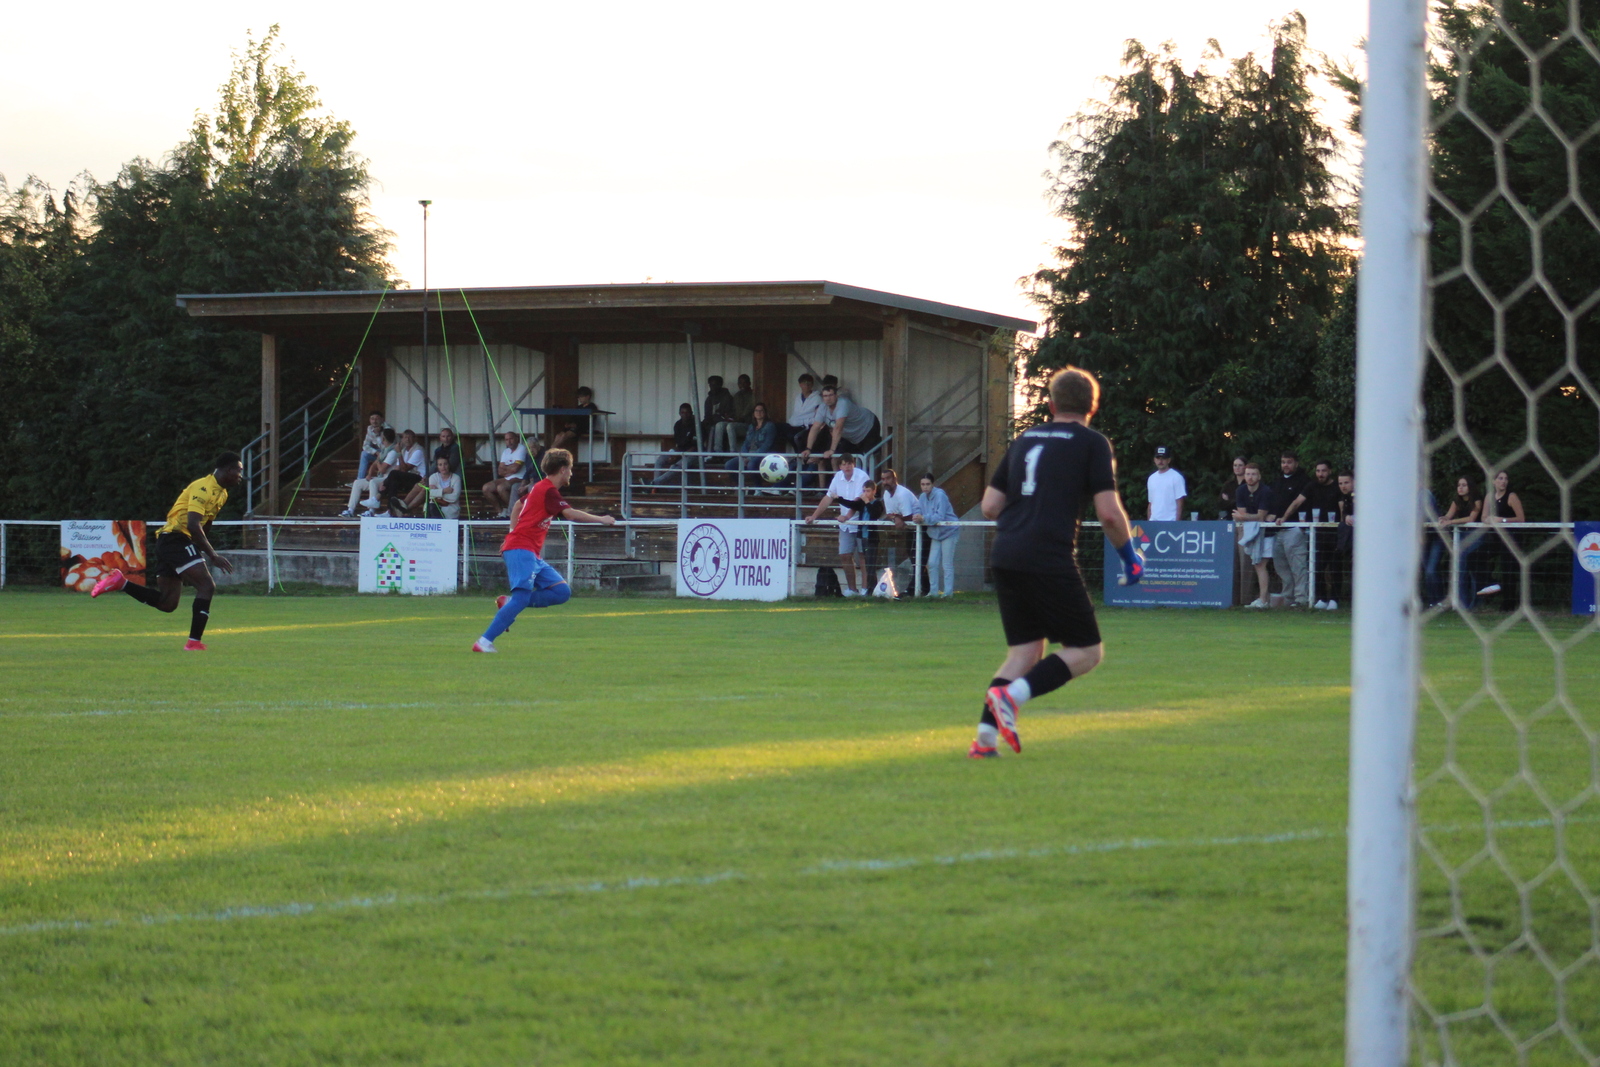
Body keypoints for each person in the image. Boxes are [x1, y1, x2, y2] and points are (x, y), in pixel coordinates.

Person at [972, 366, 1142, 759]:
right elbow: (1110, 514)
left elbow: (990, 506)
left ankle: (984, 741)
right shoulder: (1092, 442)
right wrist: (1130, 557)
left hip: (1006, 552)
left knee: (1024, 652)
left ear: (1050, 405)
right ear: (1092, 408)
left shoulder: (1025, 438)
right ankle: (1012, 697)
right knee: (1086, 651)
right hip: (1047, 554)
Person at [89, 453, 242, 651]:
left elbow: (206, 524)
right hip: (175, 539)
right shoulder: (202, 488)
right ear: (228, 470)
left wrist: (196, 555)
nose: (240, 476)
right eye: (239, 471)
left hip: (173, 542)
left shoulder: (222, 494)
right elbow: (193, 524)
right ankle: (193, 642)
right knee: (206, 586)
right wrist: (212, 555)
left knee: (167, 603)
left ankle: (121, 583)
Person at [472, 449, 616, 653]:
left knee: (561, 592)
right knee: (522, 597)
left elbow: (517, 505)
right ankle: (484, 642)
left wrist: (512, 531)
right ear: (563, 469)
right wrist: (602, 519)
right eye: (570, 469)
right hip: (521, 549)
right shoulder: (547, 490)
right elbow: (570, 514)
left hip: (529, 551)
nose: (571, 473)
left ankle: (509, 603)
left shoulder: (540, 488)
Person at [804, 453, 871, 596]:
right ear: (840, 466)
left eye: (849, 463)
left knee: (863, 557)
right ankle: (852, 589)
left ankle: (866, 590)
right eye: (844, 464)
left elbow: (858, 502)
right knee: (845, 555)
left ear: (854, 464)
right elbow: (828, 497)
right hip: (845, 524)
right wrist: (814, 516)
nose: (847, 467)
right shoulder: (837, 477)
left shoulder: (862, 477)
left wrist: (846, 516)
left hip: (861, 523)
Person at [1279, 460, 1341, 609]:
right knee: (1316, 566)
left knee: (1335, 568)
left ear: (1330, 471)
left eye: (1323, 471)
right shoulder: (1312, 486)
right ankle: (1321, 599)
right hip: (1317, 534)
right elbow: (1297, 502)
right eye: (1318, 471)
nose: (1320, 474)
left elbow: (1342, 507)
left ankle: (1334, 600)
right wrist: (1284, 517)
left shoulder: (1337, 487)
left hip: (1335, 533)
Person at [802, 384, 881, 471]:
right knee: (835, 458)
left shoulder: (843, 404)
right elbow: (815, 428)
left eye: (830, 395)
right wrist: (808, 449)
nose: (828, 398)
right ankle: (838, 480)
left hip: (868, 426)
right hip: (850, 436)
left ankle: (873, 479)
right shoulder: (822, 407)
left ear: (836, 396)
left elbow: (838, 428)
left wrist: (832, 450)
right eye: (825, 396)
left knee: (869, 458)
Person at [1270, 451, 1312, 608]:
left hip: (1294, 529)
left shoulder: (1304, 481)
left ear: (1296, 463)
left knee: (1298, 566)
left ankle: (1301, 600)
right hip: (1277, 530)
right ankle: (1288, 599)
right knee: (1281, 568)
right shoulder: (1277, 481)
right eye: (1283, 462)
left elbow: (1297, 503)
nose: (1285, 465)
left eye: (1289, 462)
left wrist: (1285, 518)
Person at [1478, 470, 1526, 602]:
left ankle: (1508, 603)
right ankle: (1492, 584)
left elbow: (1521, 519)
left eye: (1505, 479)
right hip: (1496, 538)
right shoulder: (1489, 496)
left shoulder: (1511, 497)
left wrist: (1502, 520)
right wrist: (1488, 520)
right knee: (1476, 556)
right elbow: (1483, 516)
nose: (1503, 481)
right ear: (1493, 481)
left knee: (1508, 569)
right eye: (1500, 478)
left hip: (1511, 538)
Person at [1233, 461, 1275, 609]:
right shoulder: (1240, 490)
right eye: (1248, 474)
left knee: (1260, 564)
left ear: (1259, 476)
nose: (1250, 477)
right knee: (1257, 564)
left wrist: (1246, 517)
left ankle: (1263, 599)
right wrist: (1250, 517)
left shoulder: (1266, 491)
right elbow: (1245, 515)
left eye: (1253, 474)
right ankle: (1263, 598)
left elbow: (1260, 516)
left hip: (1267, 533)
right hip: (1250, 532)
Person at [395, 427, 464, 516]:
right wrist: (426, 476)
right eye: (443, 436)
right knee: (419, 485)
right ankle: (403, 504)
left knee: (425, 489)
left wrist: (431, 478)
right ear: (440, 438)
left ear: (452, 437)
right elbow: (434, 465)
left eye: (448, 436)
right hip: (439, 477)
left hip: (450, 477)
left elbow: (450, 466)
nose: (446, 439)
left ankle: (406, 510)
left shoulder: (456, 449)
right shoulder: (438, 450)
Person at [1439, 474, 1484, 607]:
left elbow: (1471, 518)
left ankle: (1472, 603)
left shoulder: (1477, 500)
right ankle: (1462, 603)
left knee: (1467, 564)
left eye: (1464, 485)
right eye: (1459, 485)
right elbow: (1448, 515)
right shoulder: (1457, 501)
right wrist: (1443, 519)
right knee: (1460, 566)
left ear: (1470, 487)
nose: (1461, 488)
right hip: (1463, 536)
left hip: (1476, 535)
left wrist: (1451, 522)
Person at [914, 473, 960, 597]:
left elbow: (940, 516)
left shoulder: (940, 495)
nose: (925, 487)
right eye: (922, 484)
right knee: (932, 563)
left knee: (947, 564)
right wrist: (917, 515)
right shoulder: (922, 497)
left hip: (949, 531)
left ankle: (948, 593)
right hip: (935, 533)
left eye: (927, 484)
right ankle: (933, 592)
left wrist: (924, 518)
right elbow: (918, 508)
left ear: (932, 484)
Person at [341, 428, 397, 517]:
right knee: (357, 483)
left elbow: (382, 469)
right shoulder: (384, 450)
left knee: (373, 482)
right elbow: (374, 465)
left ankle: (371, 511)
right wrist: (369, 474)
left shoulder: (392, 452)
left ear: (383, 438)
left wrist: (378, 460)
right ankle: (350, 510)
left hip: (387, 478)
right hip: (381, 477)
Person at [724, 402, 779, 490]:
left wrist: (749, 458)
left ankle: (758, 488)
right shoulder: (751, 426)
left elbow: (766, 446)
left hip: (763, 455)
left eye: (761, 411)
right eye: (756, 411)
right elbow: (746, 443)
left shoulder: (769, 426)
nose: (758, 412)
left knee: (751, 464)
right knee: (729, 465)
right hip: (748, 455)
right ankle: (743, 487)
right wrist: (743, 456)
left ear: (765, 413)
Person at [876, 467, 920, 579]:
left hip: (919, 528)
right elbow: (889, 514)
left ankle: (919, 586)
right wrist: (896, 518)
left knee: (918, 559)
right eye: (883, 479)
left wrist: (896, 517)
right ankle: (919, 586)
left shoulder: (902, 494)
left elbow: (908, 516)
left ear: (894, 479)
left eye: (888, 478)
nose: (885, 482)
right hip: (909, 529)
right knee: (913, 558)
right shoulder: (886, 494)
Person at [840, 479, 884, 586]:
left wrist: (867, 502)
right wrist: (838, 498)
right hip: (862, 537)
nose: (865, 493)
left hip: (871, 538)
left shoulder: (877, 503)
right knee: (866, 563)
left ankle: (871, 588)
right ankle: (869, 587)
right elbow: (852, 505)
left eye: (868, 491)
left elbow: (874, 514)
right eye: (864, 491)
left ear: (874, 491)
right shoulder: (861, 503)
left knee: (871, 565)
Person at [376, 430, 426, 515]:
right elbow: (397, 469)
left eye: (410, 437)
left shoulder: (418, 450)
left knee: (394, 474)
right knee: (393, 482)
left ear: (415, 439)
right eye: (405, 437)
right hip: (408, 478)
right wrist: (385, 482)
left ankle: (378, 498)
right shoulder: (404, 451)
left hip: (419, 478)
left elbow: (404, 469)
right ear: (402, 439)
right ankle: (390, 511)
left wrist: (399, 453)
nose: (407, 439)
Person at [482, 431, 529, 518]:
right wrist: (510, 468)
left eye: (511, 439)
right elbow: (500, 471)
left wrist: (506, 468)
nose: (509, 442)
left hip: (520, 478)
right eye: (507, 440)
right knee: (486, 488)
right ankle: (501, 511)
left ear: (517, 439)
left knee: (501, 488)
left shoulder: (522, 449)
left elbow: (516, 469)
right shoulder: (506, 451)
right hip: (508, 478)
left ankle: (515, 511)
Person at [653, 403, 699, 486]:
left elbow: (695, 447)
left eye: (687, 412)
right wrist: (673, 454)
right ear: (679, 413)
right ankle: (655, 488)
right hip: (680, 453)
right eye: (683, 412)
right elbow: (679, 444)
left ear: (691, 413)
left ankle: (654, 484)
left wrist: (678, 456)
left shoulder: (697, 425)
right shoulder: (678, 425)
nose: (685, 415)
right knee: (660, 460)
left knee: (677, 465)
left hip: (693, 455)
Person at [1328, 471, 1355, 608]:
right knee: (1336, 562)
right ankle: (1334, 599)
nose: (1343, 486)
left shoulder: (1363, 496)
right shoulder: (1346, 497)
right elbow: (1345, 515)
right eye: (1340, 483)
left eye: (1346, 483)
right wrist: (1346, 517)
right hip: (1346, 539)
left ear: (1354, 482)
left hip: (1360, 541)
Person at [713, 374, 755, 453]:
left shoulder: (753, 395)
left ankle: (733, 452)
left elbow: (748, 412)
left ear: (749, 383)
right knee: (719, 425)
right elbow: (734, 411)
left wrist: (739, 418)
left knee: (730, 426)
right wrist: (728, 416)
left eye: (744, 383)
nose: (742, 385)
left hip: (748, 425)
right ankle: (718, 452)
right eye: (740, 383)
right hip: (737, 423)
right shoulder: (737, 396)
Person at [551, 387, 599, 454]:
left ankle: (551, 449)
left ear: (588, 396)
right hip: (573, 427)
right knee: (558, 435)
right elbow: (573, 417)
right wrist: (568, 424)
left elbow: (586, 421)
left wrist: (575, 425)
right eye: (578, 397)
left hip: (582, 428)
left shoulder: (592, 407)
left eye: (581, 397)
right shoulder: (579, 407)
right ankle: (552, 449)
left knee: (564, 435)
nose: (579, 399)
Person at [1146, 446, 1187, 521]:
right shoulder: (1151, 478)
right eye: (1158, 458)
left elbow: (1180, 503)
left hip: (1170, 521)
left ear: (1169, 460)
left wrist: (1176, 523)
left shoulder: (1176, 477)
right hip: (1153, 521)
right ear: (1154, 460)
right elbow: (1151, 503)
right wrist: (1149, 522)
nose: (1160, 461)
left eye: (1163, 458)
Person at [787, 373, 824, 453]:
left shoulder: (817, 398)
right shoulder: (798, 398)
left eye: (809, 383)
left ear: (812, 385)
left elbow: (818, 417)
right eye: (804, 383)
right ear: (800, 385)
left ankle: (801, 457)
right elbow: (796, 414)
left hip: (807, 426)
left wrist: (805, 422)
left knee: (796, 437)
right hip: (795, 424)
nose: (807, 386)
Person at [700, 376, 733, 452]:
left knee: (714, 427)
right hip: (712, 421)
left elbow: (727, 414)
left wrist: (713, 419)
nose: (712, 387)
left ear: (720, 385)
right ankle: (700, 450)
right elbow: (707, 415)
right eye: (711, 385)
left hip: (723, 422)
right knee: (699, 426)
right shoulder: (709, 399)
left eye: (715, 385)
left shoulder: (727, 397)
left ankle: (715, 452)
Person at [356, 410, 388, 481]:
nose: (374, 421)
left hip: (389, 454)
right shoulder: (370, 429)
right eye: (372, 419)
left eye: (377, 419)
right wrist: (376, 452)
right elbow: (365, 446)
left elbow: (386, 447)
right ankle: (360, 480)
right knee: (364, 454)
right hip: (380, 454)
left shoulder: (388, 429)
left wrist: (377, 434)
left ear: (382, 419)